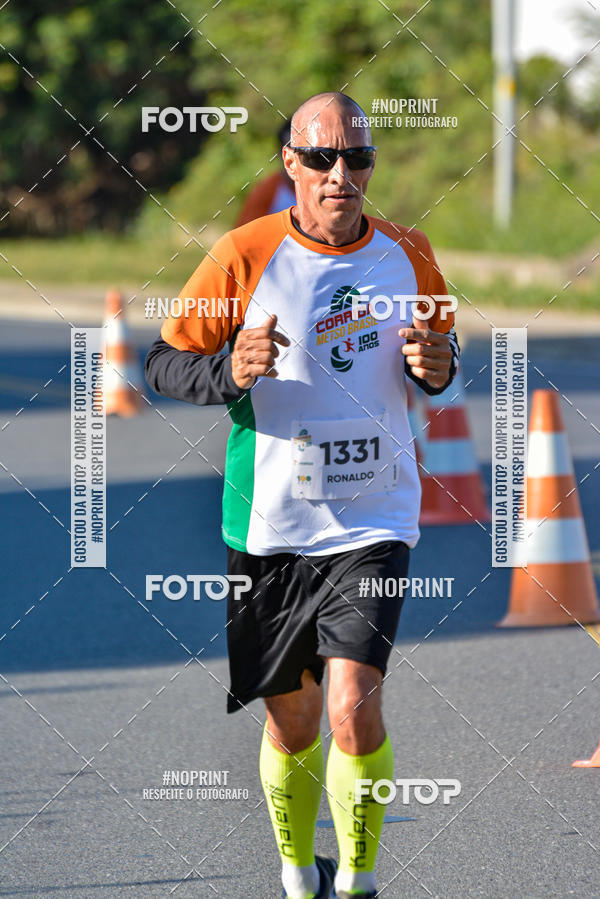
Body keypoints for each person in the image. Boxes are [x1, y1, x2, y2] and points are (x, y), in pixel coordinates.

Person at [145, 91, 459, 899]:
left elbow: (440, 353)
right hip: (271, 522)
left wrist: (439, 365)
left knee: (353, 700)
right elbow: (162, 362)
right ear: (291, 165)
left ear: (369, 169)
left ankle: (357, 881)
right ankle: (297, 871)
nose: (338, 174)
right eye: (320, 158)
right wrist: (228, 370)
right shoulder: (244, 255)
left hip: (375, 514)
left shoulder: (407, 252)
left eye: (355, 158)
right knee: (293, 719)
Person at [235, 119, 296, 226]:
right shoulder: (266, 191)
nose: (295, 157)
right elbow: (244, 236)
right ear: (280, 153)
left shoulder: (325, 188)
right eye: (290, 149)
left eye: (301, 150)